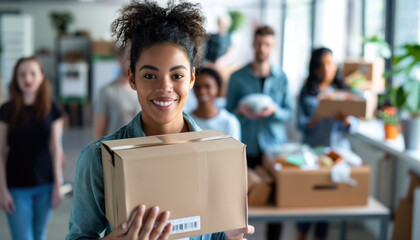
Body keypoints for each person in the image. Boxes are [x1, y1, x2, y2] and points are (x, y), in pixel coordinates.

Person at [66, 1, 254, 240]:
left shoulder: (215, 155)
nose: (164, 87)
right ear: (132, 78)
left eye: (177, 75)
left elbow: (214, 235)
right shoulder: (97, 160)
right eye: (149, 75)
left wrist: (232, 236)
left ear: (192, 79)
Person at [226, 25, 293, 240]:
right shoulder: (237, 77)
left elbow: (288, 112)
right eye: (259, 43)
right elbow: (227, 110)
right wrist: (240, 111)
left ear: (273, 47)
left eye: (267, 44)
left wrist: (274, 112)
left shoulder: (281, 77)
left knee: (277, 202)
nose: (262, 48)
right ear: (253, 44)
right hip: (246, 147)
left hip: (273, 148)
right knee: (242, 200)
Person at [296, 47, 359, 240]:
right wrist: (315, 118)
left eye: (330, 64)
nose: (326, 69)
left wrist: (347, 121)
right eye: (322, 65)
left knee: (326, 203)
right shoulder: (307, 91)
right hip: (313, 153)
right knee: (307, 201)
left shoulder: (345, 92)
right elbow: (300, 124)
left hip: (337, 154)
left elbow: (356, 126)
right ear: (315, 67)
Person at [0, 56, 64, 240]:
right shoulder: (6, 110)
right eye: (22, 74)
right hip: (16, 187)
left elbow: (55, 148)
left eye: (32, 73)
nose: (28, 79)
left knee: (39, 236)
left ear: (41, 77)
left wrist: (58, 184)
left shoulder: (52, 109)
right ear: (16, 79)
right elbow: (0, 152)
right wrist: (2, 190)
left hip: (46, 184)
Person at [93, 43, 141, 139]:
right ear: (119, 59)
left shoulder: (143, 90)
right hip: (115, 150)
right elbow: (98, 132)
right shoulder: (107, 92)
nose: (132, 62)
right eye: (128, 58)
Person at [190, 67, 241, 140]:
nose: (202, 91)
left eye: (207, 86)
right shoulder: (187, 121)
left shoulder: (229, 122)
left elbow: (236, 151)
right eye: (197, 87)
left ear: (217, 88)